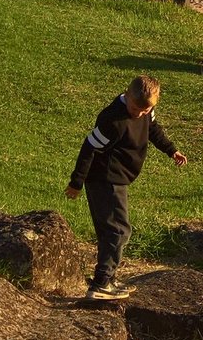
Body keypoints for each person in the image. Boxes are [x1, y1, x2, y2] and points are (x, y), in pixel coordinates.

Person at [65, 75, 187, 300]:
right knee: (118, 230)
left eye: (145, 109)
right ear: (127, 95)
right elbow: (89, 148)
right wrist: (76, 183)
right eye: (135, 108)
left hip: (118, 178)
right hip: (105, 180)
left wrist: (171, 150)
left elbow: (152, 129)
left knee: (110, 229)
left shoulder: (145, 110)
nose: (139, 113)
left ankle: (108, 278)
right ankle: (101, 283)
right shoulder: (113, 121)